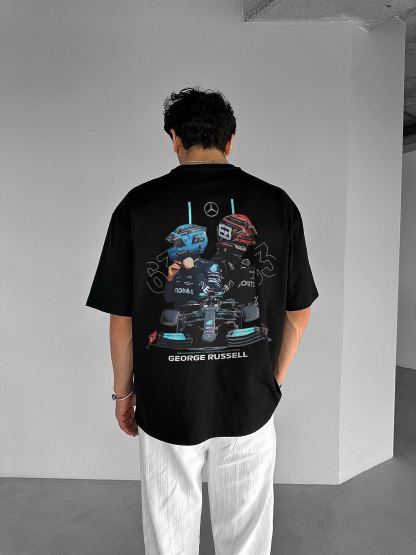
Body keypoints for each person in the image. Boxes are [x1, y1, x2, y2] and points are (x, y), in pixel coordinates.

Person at [86, 86, 319, 555]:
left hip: (167, 399)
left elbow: (122, 319)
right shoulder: (278, 204)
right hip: (249, 398)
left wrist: (123, 393)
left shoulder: (137, 205)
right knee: (247, 537)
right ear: (230, 140)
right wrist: (272, 379)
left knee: (169, 535)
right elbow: (298, 312)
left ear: (174, 138)